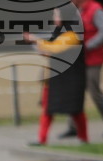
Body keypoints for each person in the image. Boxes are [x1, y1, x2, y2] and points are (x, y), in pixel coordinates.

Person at [25, 16, 89, 145]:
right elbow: (50, 52)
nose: (54, 18)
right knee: (48, 109)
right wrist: (37, 45)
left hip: (71, 79)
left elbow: (55, 48)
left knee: (76, 110)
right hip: (55, 79)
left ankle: (84, 138)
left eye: (57, 15)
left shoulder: (73, 34)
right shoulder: (58, 32)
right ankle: (42, 139)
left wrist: (35, 39)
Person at [61, 0, 103, 138]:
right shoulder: (76, 10)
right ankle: (73, 127)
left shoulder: (95, 9)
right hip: (78, 60)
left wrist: (87, 46)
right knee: (75, 92)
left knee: (95, 92)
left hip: (93, 60)